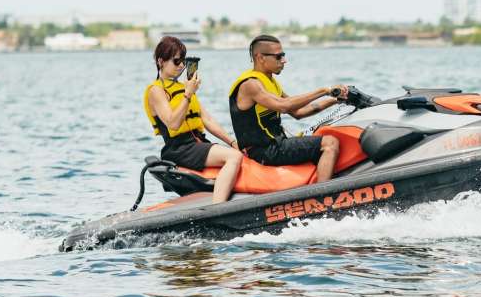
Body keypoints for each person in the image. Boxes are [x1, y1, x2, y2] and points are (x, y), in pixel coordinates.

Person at [228, 34, 349, 182]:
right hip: (265, 151)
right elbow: (284, 106)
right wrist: (325, 90)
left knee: (327, 133)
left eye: (283, 55)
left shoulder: (270, 82)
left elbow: (299, 112)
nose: (284, 60)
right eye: (279, 57)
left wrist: (336, 100)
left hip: (276, 145)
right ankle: (321, 196)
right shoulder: (251, 85)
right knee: (330, 143)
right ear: (260, 58)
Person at [144, 36, 243, 203]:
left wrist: (233, 142)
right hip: (179, 148)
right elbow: (173, 124)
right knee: (233, 158)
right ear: (161, 61)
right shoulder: (156, 91)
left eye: (183, 61)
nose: (182, 66)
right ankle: (218, 208)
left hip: (197, 143)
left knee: (239, 153)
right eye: (176, 61)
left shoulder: (184, 88)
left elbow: (208, 120)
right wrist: (188, 94)